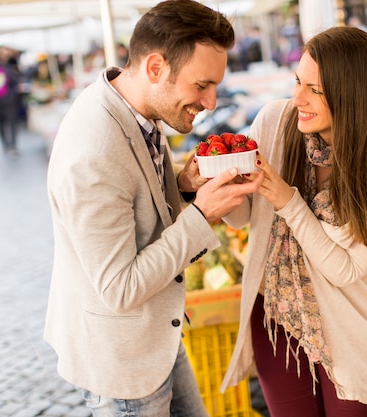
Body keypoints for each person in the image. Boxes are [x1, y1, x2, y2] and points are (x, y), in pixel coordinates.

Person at [43, 1, 263, 416]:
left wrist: (183, 184)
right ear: (156, 68)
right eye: (202, 85)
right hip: (123, 361)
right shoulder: (93, 151)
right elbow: (120, 288)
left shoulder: (135, 107)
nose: (211, 102)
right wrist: (204, 216)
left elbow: (135, 193)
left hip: (157, 337)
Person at [220, 27, 367, 416]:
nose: (297, 98)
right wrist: (226, 186)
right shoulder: (275, 123)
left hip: (351, 330)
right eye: (298, 81)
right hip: (277, 318)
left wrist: (287, 199)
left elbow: (345, 270)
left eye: (314, 89)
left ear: (351, 95)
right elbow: (243, 219)